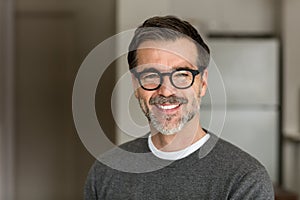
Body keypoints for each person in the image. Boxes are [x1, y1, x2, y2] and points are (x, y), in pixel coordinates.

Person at [84, 15, 274, 199]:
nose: (166, 92)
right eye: (150, 75)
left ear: (203, 83)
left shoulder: (245, 179)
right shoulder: (105, 172)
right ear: (136, 84)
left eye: (182, 75)